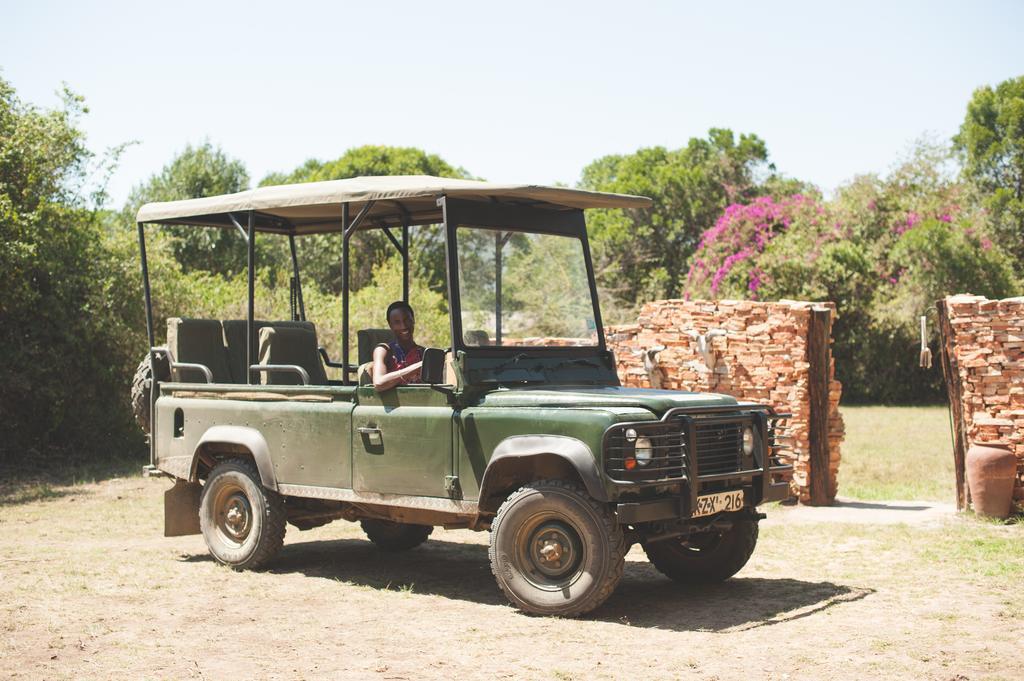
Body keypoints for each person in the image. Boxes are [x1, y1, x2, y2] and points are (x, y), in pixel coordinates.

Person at [372, 301, 425, 392]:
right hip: (393, 404)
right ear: (390, 325)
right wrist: (417, 367)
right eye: (397, 322)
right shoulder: (384, 350)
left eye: (406, 320)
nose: (403, 326)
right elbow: (379, 383)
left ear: (413, 320)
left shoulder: (423, 352)